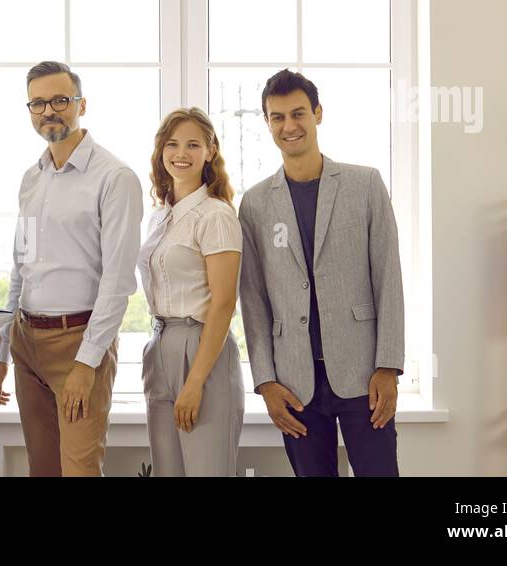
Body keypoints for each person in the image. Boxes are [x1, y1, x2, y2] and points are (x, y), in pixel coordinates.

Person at [238, 69, 405, 477]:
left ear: (318, 114)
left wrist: (389, 366)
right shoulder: (255, 204)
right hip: (294, 382)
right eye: (277, 117)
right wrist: (265, 382)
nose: (289, 126)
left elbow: (389, 279)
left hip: (364, 373)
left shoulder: (364, 184)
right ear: (267, 123)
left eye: (298, 114)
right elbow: (253, 300)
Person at [0, 61, 143, 477]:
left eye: (59, 100)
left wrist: (87, 363)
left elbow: (118, 280)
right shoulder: (31, 179)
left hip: (78, 341)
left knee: (79, 470)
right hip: (26, 341)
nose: (48, 111)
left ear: (81, 105)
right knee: (44, 470)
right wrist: (3, 351)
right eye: (38, 103)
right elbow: (22, 267)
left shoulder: (115, 177)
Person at [138, 107, 244, 477]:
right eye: (172, 144)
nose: (181, 153)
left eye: (193, 145)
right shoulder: (158, 217)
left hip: (202, 349)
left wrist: (195, 381)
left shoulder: (216, 215)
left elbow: (224, 303)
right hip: (159, 345)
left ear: (210, 151)